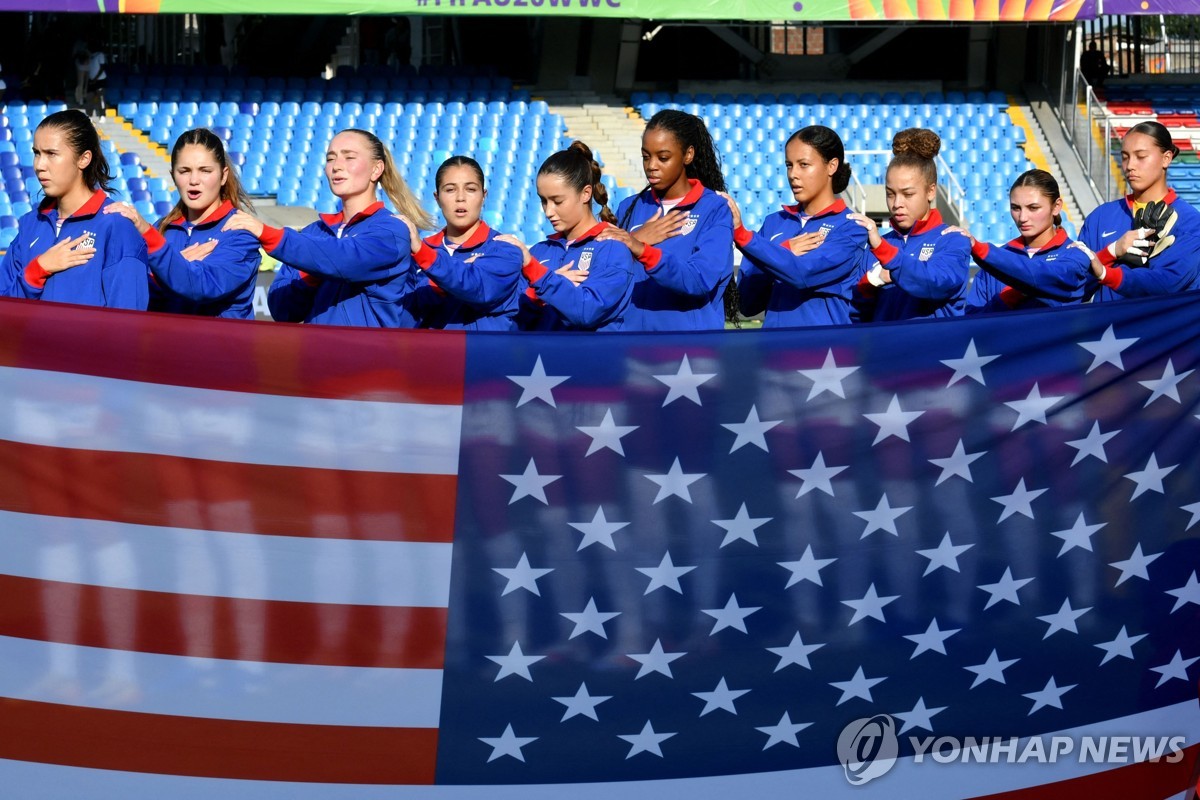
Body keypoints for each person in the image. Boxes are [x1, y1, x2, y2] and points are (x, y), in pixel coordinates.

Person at [225, 128, 434, 327]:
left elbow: (345, 259)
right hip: (316, 358)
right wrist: (310, 278)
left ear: (376, 169)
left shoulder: (391, 231)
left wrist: (267, 233)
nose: (336, 166)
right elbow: (282, 310)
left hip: (368, 359)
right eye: (330, 158)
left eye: (349, 157)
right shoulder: (312, 233)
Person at [595, 109, 733, 331]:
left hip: (690, 350)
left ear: (688, 155)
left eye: (663, 157)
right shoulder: (629, 207)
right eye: (646, 156)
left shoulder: (714, 209)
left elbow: (699, 280)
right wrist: (636, 239)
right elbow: (601, 276)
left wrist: (641, 250)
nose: (651, 166)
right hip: (633, 348)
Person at [104, 128, 261, 319]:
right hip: (166, 347)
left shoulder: (240, 233)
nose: (194, 180)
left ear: (224, 175)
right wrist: (165, 269)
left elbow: (203, 286)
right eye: (184, 171)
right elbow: (133, 296)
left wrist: (165, 261)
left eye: (205, 170)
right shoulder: (161, 228)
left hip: (221, 348)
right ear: (173, 176)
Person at [721, 124, 868, 327]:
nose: (793, 174)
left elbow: (803, 274)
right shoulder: (774, 222)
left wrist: (745, 237)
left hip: (826, 353)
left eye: (804, 164)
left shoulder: (852, 227)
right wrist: (783, 250)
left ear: (832, 166)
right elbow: (746, 303)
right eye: (789, 165)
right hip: (774, 352)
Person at [1, 109, 148, 309]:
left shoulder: (116, 226)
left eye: (51, 154)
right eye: (37, 153)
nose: (39, 165)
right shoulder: (30, 224)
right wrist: (37, 269)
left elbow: (128, 321)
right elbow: (5, 306)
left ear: (84, 159)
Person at [497, 141, 636, 331]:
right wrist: (536, 295)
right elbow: (513, 322)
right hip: (539, 360)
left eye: (557, 201)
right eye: (543, 201)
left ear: (586, 193)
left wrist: (543, 278)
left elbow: (588, 311)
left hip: (595, 360)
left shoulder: (612, 249)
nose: (548, 211)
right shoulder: (539, 251)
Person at [848, 128, 971, 322]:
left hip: (936, 352)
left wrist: (887, 255)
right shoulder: (874, 248)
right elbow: (854, 313)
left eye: (908, 194)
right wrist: (869, 283)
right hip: (886, 351)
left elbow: (935, 284)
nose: (897, 203)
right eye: (890, 193)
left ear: (931, 192)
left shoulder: (953, 240)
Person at [398, 155, 523, 330]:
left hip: (481, 356)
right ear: (437, 197)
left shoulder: (505, 249)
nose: (460, 198)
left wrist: (431, 265)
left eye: (471, 189)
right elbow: (401, 320)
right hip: (426, 356)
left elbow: (478, 288)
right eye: (450, 190)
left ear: (483, 195)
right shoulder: (416, 253)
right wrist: (437, 285)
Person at [1080, 121, 1200, 300]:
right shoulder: (1100, 217)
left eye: (1141, 156)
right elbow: (1073, 286)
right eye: (1125, 157)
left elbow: (1169, 283)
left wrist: (1107, 273)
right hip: (1106, 327)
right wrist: (1110, 253)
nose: (1129, 166)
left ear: (1166, 158)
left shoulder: (1191, 222)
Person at [957, 169, 1092, 313]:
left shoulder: (1075, 256)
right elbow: (973, 324)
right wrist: (1006, 299)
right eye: (1015, 208)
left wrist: (982, 250)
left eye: (1033, 208)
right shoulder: (994, 262)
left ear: (1056, 207)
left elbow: (1042, 276)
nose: (1022, 217)